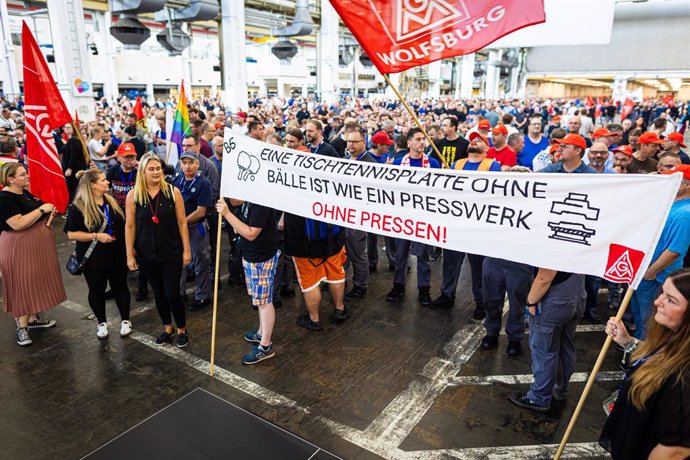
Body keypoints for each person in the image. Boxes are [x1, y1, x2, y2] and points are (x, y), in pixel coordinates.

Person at [600, 269, 690, 460]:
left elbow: (673, 452)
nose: (658, 302)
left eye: (671, 300)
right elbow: (658, 357)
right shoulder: (673, 338)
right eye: (662, 293)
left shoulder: (683, 379)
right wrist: (627, 341)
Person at [125, 153, 192, 348]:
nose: (156, 172)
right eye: (151, 169)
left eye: (158, 168)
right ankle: (167, 327)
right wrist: (129, 254)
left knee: (172, 293)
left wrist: (186, 250)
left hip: (171, 252)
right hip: (147, 254)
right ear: (143, 172)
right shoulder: (133, 195)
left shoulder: (173, 192)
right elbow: (130, 227)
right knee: (159, 294)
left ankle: (181, 328)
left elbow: (182, 223)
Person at [0, 163, 64, 346]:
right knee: (23, 286)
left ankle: (33, 320)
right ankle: (22, 328)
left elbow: (33, 215)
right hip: (19, 248)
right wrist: (41, 210)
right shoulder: (5, 198)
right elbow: (17, 224)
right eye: (23, 174)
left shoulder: (23, 193)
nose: (27, 176)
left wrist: (47, 213)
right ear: (10, 179)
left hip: (33, 247)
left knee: (34, 283)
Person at [64, 169, 131, 339]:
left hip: (117, 254)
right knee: (96, 290)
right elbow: (71, 234)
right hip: (93, 259)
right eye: (103, 180)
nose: (107, 182)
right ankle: (101, 323)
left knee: (121, 287)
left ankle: (126, 320)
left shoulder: (111, 201)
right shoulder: (79, 207)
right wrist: (96, 236)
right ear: (92, 185)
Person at [509, 267, 586, 411]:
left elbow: (545, 277)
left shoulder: (555, 243)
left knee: (544, 351)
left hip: (555, 299)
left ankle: (539, 397)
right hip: (577, 290)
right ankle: (560, 389)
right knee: (565, 346)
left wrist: (530, 302)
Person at [629, 164, 690, 339]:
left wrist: (651, 272)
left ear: (687, 184)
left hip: (656, 277)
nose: (668, 182)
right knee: (641, 315)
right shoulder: (673, 204)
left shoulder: (685, 213)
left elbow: (674, 250)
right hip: (647, 273)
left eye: (674, 179)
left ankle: (644, 357)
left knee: (650, 322)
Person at [216, 197, 279, 364]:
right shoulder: (252, 196)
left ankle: (265, 346)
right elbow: (243, 224)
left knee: (264, 301)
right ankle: (261, 333)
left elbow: (251, 233)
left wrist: (227, 214)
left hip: (260, 257)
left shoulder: (261, 201)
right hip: (252, 255)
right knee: (260, 299)